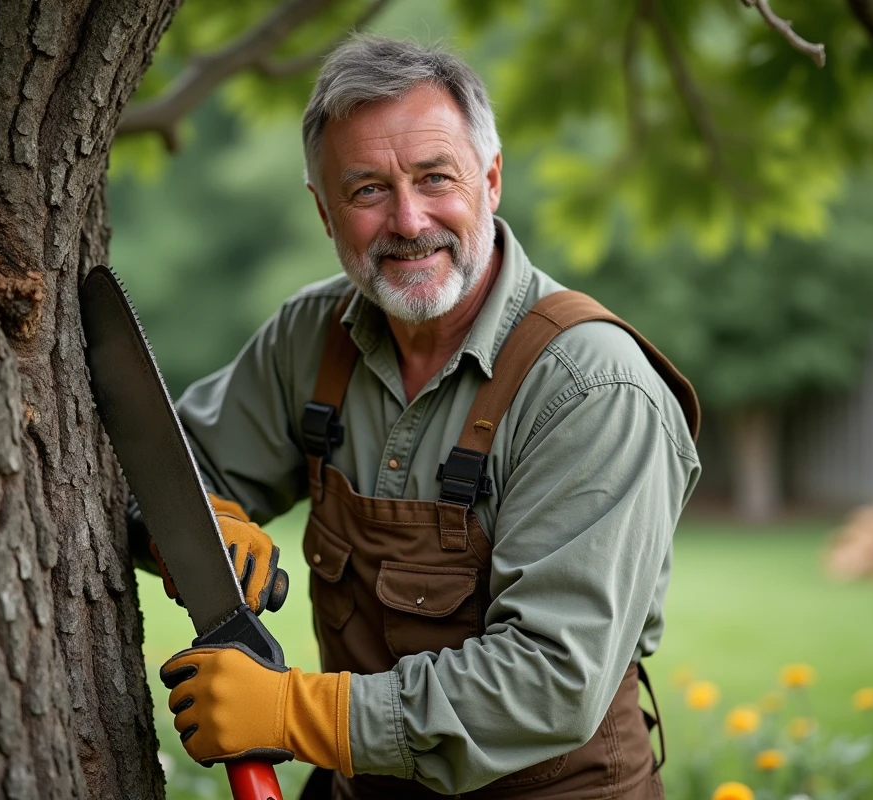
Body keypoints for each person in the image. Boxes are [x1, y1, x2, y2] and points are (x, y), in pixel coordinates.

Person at [153, 35, 702, 799]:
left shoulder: (593, 389)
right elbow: (155, 473)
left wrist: (297, 713)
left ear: (491, 180)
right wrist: (198, 519)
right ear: (324, 213)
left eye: (435, 178)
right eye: (367, 190)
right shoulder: (310, 339)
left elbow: (551, 681)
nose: (409, 221)